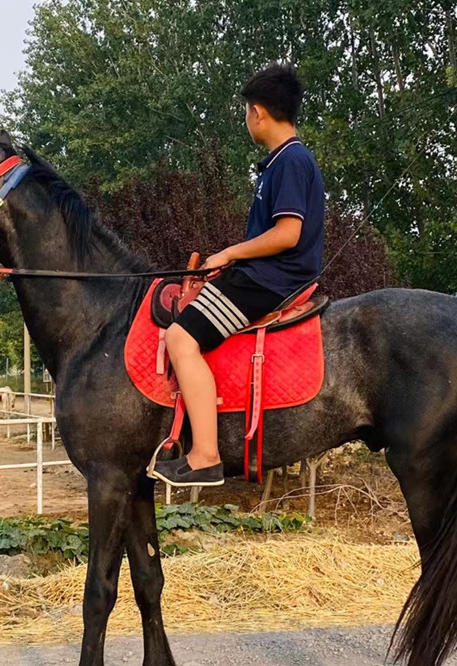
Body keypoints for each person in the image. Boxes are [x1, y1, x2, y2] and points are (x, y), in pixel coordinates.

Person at [150, 62, 325, 488]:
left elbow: (288, 233)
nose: (247, 120)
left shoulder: (290, 161)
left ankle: (205, 455)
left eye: (246, 111)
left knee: (179, 337)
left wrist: (229, 252)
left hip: (270, 281)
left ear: (258, 112)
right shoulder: (281, 162)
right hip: (264, 274)